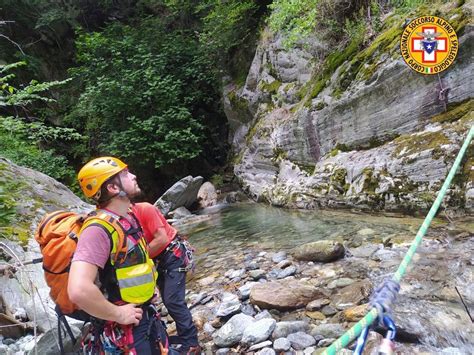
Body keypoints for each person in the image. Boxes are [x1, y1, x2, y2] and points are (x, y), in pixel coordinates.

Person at [68, 156, 165, 354]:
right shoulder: (97, 230)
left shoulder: (126, 218)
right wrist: (118, 314)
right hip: (126, 328)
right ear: (113, 188)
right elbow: (78, 289)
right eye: (125, 174)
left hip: (143, 316)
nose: (133, 175)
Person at [133, 202, 200, 354]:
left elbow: (161, 239)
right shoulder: (123, 219)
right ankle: (172, 339)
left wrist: (133, 261)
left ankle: (191, 344)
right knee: (164, 300)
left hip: (172, 253)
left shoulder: (145, 209)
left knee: (172, 301)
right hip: (158, 260)